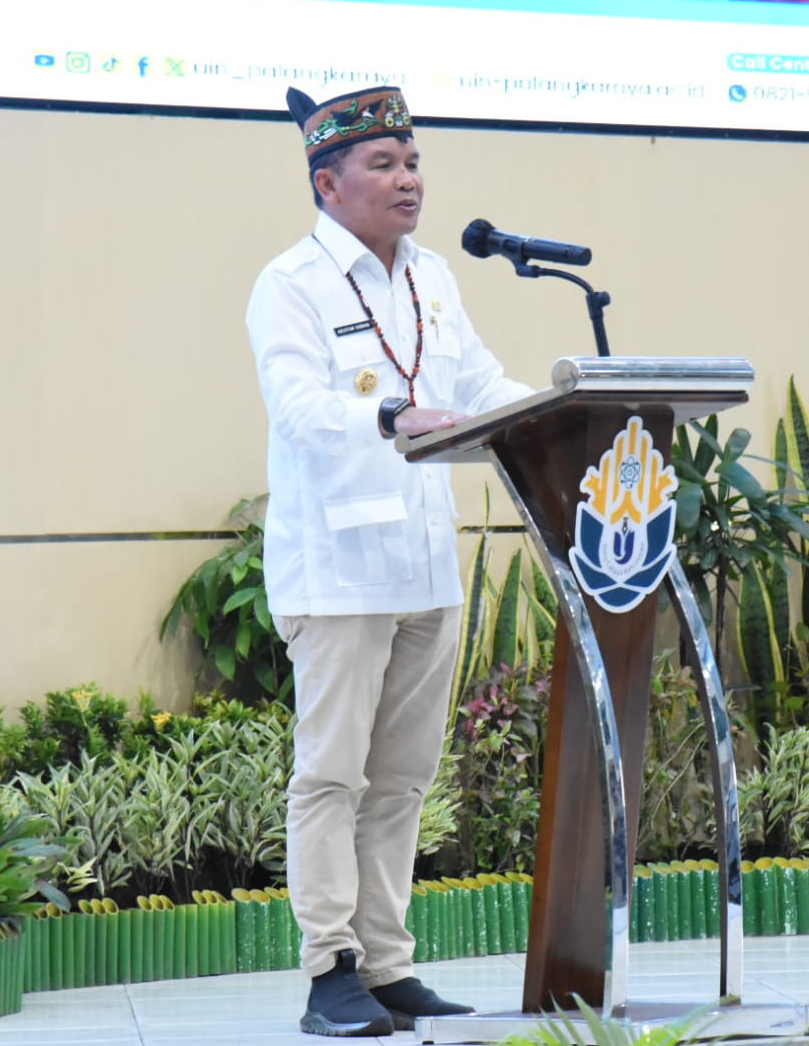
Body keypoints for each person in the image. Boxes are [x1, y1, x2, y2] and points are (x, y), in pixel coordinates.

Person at [245, 85, 532, 1037]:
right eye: (384, 164)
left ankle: (386, 965)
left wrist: (559, 408)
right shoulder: (290, 282)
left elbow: (478, 382)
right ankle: (329, 970)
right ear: (327, 184)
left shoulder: (434, 275)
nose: (408, 179)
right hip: (335, 571)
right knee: (331, 778)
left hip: (424, 562)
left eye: (412, 163)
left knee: (403, 779)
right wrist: (387, 414)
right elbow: (297, 408)